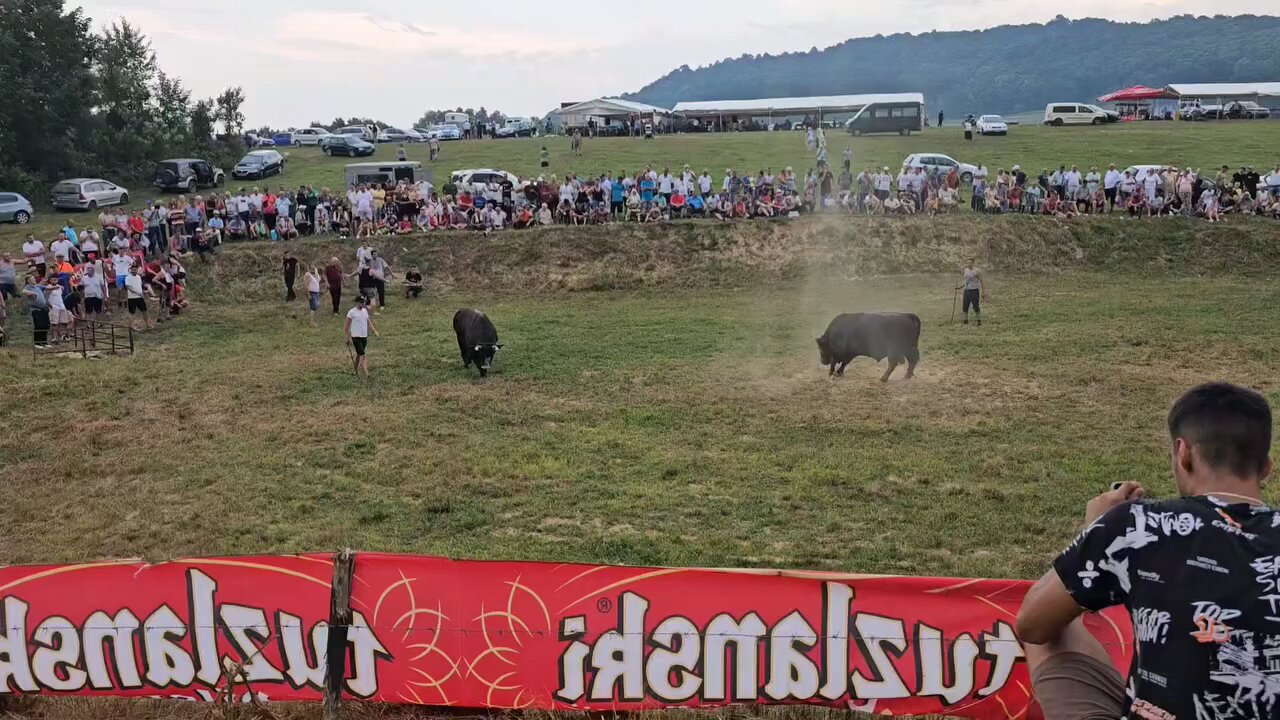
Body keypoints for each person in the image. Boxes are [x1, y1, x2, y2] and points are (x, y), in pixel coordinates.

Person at [1018, 383, 1276, 720]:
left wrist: (1093, 533)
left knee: (1051, 630)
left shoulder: (1136, 525)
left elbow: (1032, 625)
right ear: (1267, 467)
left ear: (1183, 453)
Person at [344, 295, 378, 380]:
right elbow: (347, 326)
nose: (362, 304)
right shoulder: (351, 312)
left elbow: (368, 322)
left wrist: (374, 330)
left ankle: (355, 370)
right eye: (361, 302)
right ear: (357, 302)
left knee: (359, 354)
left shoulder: (364, 311)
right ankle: (367, 374)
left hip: (364, 336)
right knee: (363, 355)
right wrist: (348, 337)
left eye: (363, 302)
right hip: (356, 336)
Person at [21, 274, 50, 346]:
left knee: (45, 325)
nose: (34, 280)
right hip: (35, 309)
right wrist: (32, 293)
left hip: (43, 309)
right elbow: (23, 291)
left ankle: (44, 342)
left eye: (34, 278)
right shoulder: (28, 287)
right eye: (32, 279)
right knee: (38, 326)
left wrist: (57, 287)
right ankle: (37, 343)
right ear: (28, 281)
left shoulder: (38, 286)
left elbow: (48, 287)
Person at [957, 259, 985, 326]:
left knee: (976, 307)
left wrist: (984, 292)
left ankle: (979, 321)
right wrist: (960, 287)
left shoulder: (977, 271)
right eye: (967, 263)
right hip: (967, 290)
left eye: (970, 263)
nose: (968, 264)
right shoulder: (966, 270)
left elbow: (982, 281)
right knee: (965, 307)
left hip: (974, 291)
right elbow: (966, 281)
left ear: (973, 263)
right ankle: (965, 322)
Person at [124, 264, 150, 331]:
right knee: (131, 312)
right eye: (132, 270)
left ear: (137, 270)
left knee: (144, 310)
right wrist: (137, 292)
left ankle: (147, 324)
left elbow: (140, 286)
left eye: (135, 270)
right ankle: (131, 326)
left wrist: (143, 293)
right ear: (130, 270)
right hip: (132, 298)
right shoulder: (128, 277)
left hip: (140, 297)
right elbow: (128, 287)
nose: (133, 271)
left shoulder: (139, 277)